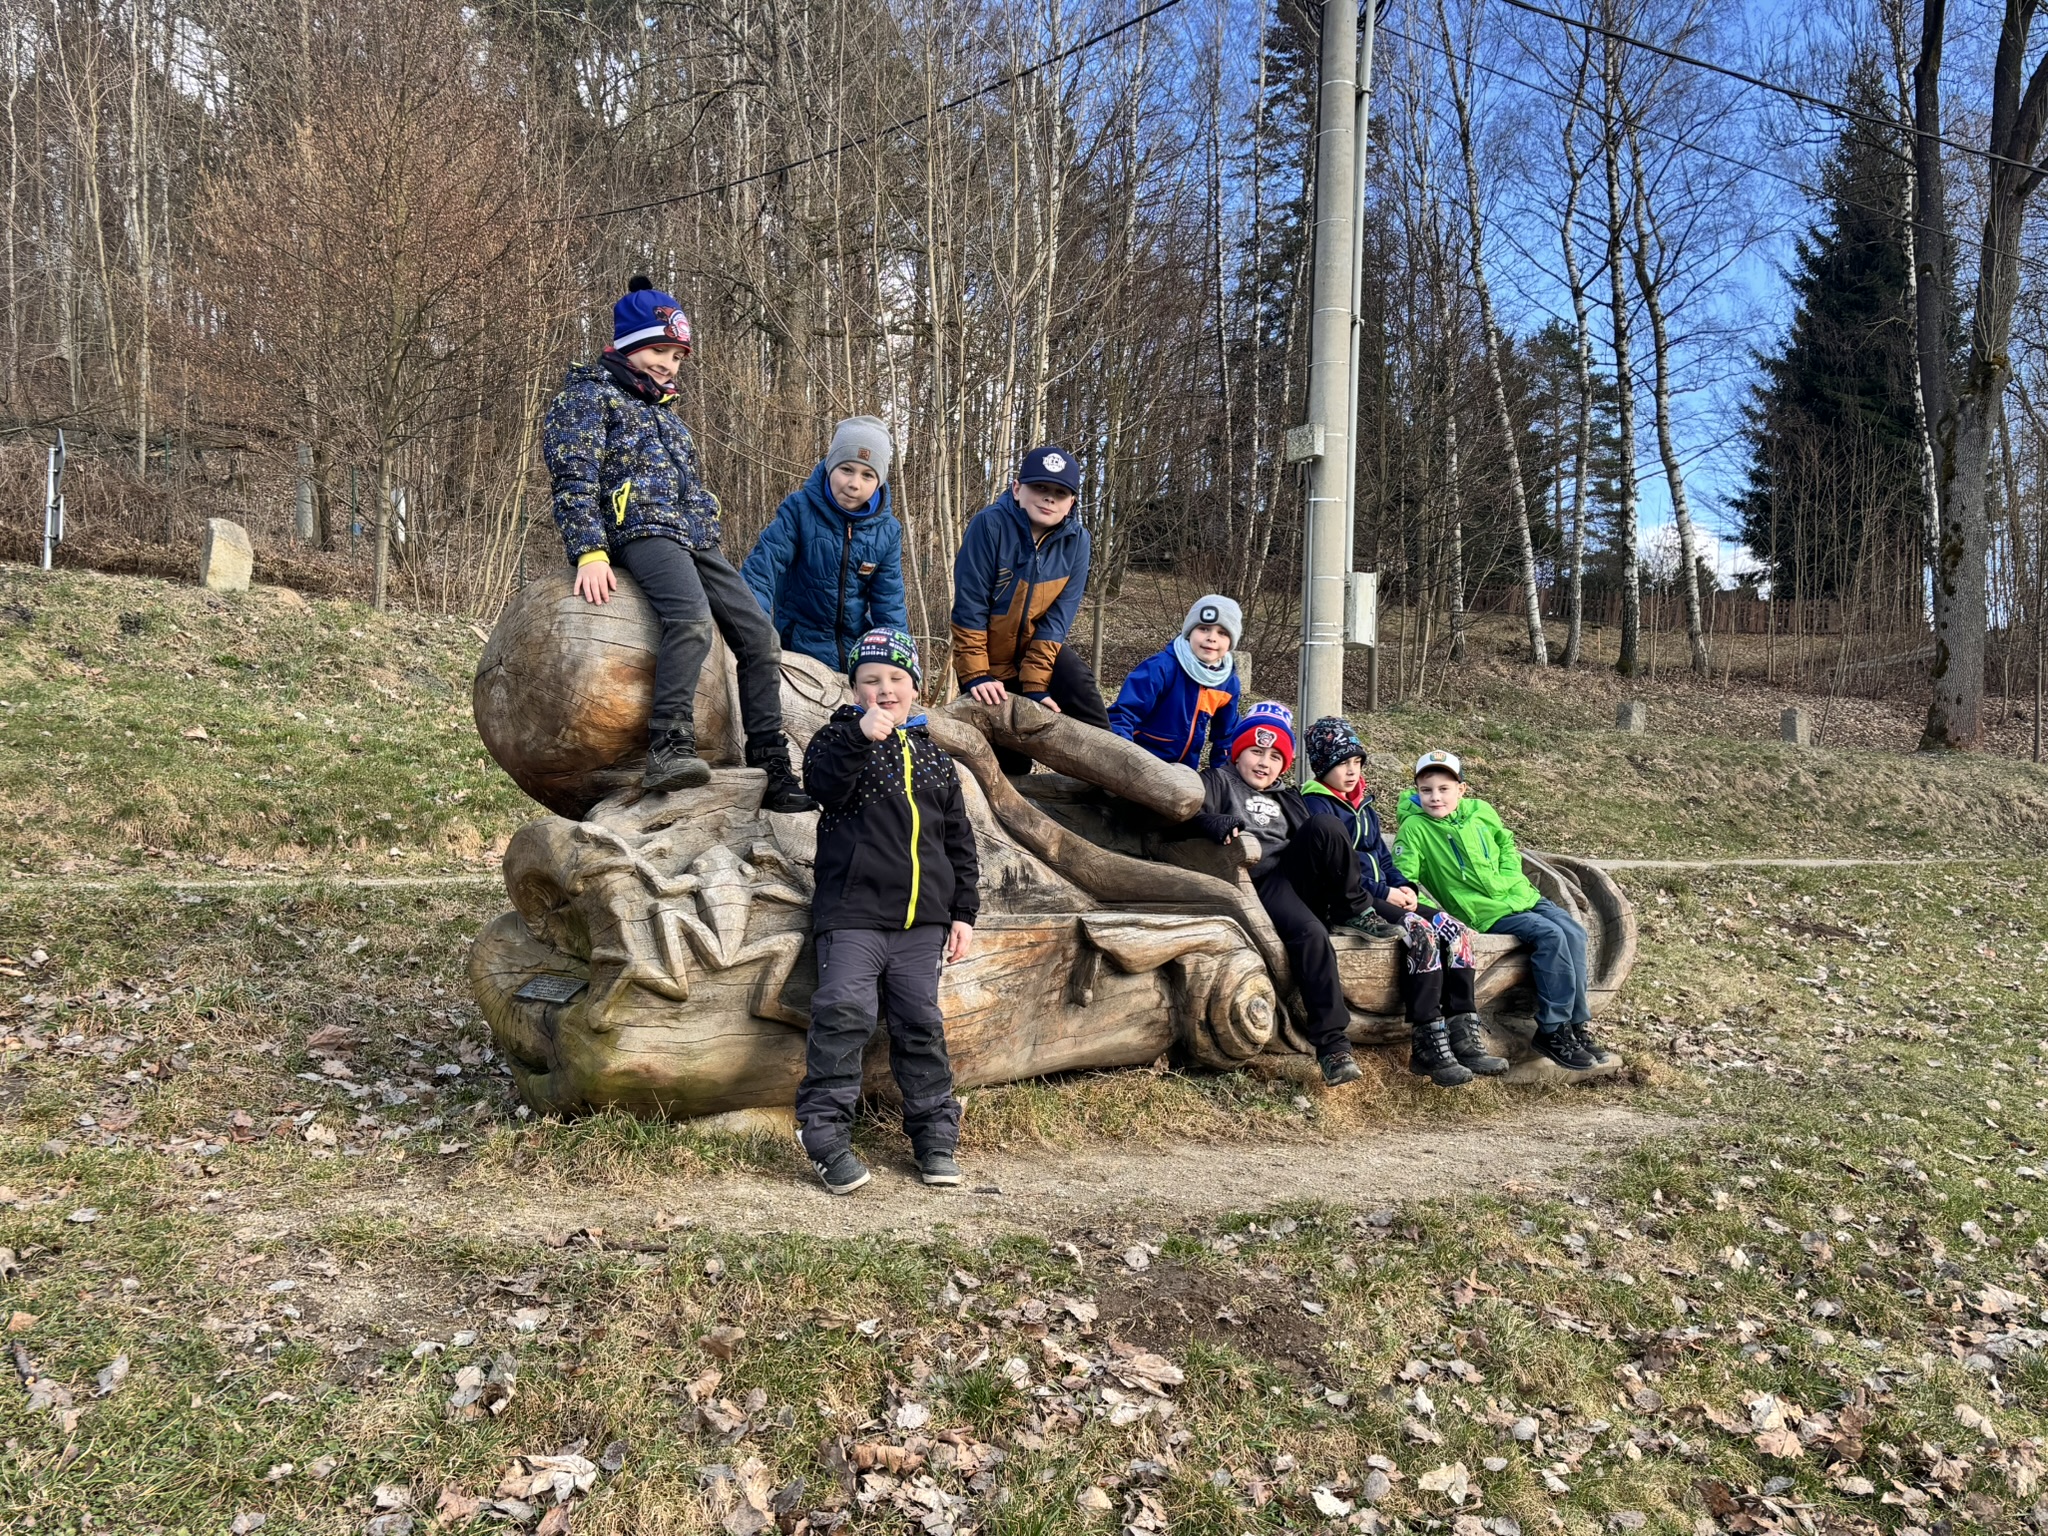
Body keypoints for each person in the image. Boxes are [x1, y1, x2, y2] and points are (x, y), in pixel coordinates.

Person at [543, 275, 814, 810]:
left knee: (761, 637)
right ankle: (669, 744)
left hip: (695, 538)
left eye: (677, 356)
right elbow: (573, 477)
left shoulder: (667, 417)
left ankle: (770, 762)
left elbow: (689, 487)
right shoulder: (588, 397)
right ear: (627, 344)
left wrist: (706, 517)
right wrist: (589, 550)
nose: (669, 364)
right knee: (690, 620)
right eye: (658, 351)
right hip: (638, 531)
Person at [795, 628, 980, 1195]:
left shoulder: (936, 758)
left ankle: (935, 1139)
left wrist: (963, 912)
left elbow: (959, 841)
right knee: (843, 1015)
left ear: (916, 688)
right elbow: (822, 786)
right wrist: (859, 736)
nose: (885, 689)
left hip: (923, 923)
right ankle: (824, 1137)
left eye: (897, 678)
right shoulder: (837, 738)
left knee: (920, 1026)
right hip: (853, 915)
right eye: (870, 680)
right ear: (854, 690)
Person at [1300, 719, 1506, 1087]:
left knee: (1456, 931)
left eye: (1357, 762)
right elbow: (1336, 872)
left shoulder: (1363, 804)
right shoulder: (1315, 806)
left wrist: (1404, 886)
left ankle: (1463, 1034)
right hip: (1353, 903)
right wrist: (1384, 894)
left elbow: (1383, 857)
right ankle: (1427, 1042)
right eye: (1342, 763)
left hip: (1386, 895)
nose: (1352, 771)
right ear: (1322, 766)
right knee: (1421, 932)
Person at [1183, 701, 1372, 1088]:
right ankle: (1333, 1048)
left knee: (1326, 825)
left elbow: (1317, 845)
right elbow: (1185, 816)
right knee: (1312, 934)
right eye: (1256, 751)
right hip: (1251, 880)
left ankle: (1354, 910)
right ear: (1238, 752)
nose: (1264, 763)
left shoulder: (1288, 797)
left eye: (1275, 757)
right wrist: (1212, 822)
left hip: (1292, 877)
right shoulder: (1217, 781)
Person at [1392, 750, 1612, 1072]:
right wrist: (1404, 893)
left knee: (1574, 932)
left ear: (1461, 789)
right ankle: (1552, 1030)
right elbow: (1403, 873)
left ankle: (1575, 1025)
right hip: (1485, 912)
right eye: (1426, 790)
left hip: (1520, 894)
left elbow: (1506, 843)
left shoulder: (1481, 811)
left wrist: (1510, 874)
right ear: (1417, 791)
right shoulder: (1415, 828)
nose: (1435, 797)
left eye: (1444, 789)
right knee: (1550, 936)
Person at [951, 444, 1110, 772]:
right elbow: (970, 607)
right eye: (1039, 487)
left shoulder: (1078, 541)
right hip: (986, 658)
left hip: (1036, 652)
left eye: (1060, 493)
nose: (1049, 498)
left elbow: (1058, 619)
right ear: (1017, 489)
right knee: (1013, 765)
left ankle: (1114, 785)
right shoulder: (989, 525)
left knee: (1083, 691)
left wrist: (1036, 684)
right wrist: (977, 674)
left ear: (1071, 503)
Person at [741, 416, 908, 674]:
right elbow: (760, 573)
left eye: (867, 475)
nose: (854, 484)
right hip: (796, 654)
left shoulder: (887, 530)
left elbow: (889, 602)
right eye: (846, 470)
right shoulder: (799, 510)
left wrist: (899, 663)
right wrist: (755, 636)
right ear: (830, 465)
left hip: (855, 658)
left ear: (880, 482)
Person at [1107, 595, 1243, 768]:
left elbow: (1226, 738)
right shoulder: (1161, 667)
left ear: (1231, 642)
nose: (1212, 638)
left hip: (1184, 769)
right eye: (1203, 629)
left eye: (1222, 633)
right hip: (1140, 760)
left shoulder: (1228, 684)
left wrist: (1224, 776)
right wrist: (1124, 758)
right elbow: (1123, 714)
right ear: (1189, 632)